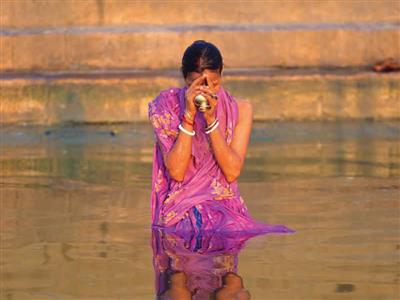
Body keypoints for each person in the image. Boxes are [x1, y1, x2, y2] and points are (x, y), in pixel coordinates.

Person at [148, 40, 294, 235]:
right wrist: (189, 116)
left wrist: (211, 120)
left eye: (213, 84)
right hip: (180, 211)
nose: (207, 91)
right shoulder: (166, 107)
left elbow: (232, 172)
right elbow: (177, 172)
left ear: (222, 74)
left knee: (232, 237)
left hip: (225, 210)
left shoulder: (241, 110)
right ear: (185, 80)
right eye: (196, 85)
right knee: (191, 236)